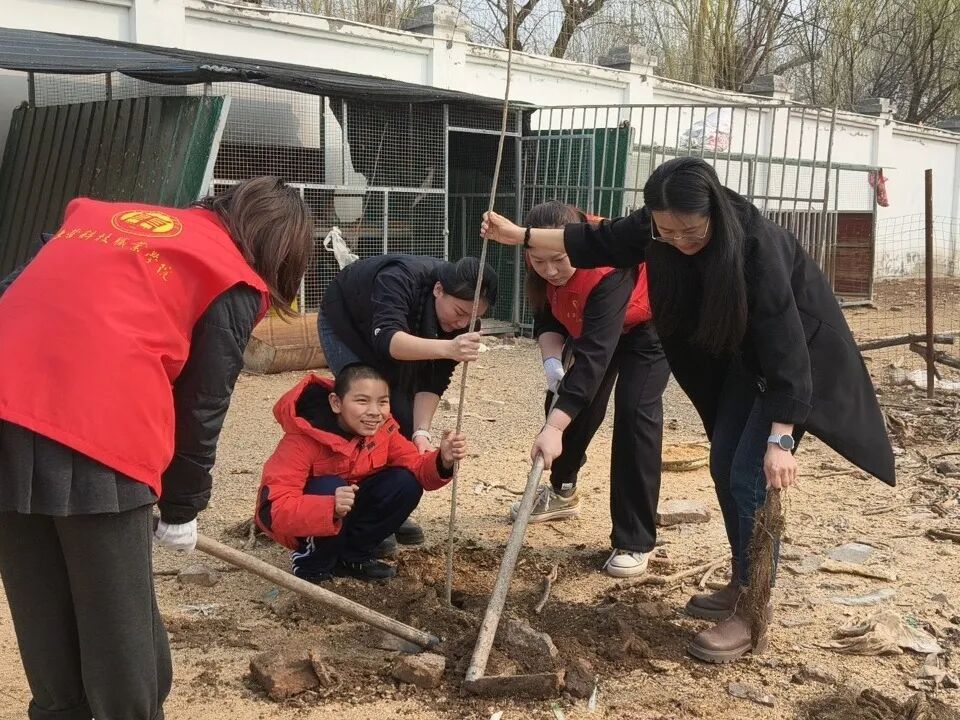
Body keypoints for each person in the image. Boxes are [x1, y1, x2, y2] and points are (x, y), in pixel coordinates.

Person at [481, 157, 895, 663]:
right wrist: (520, 236)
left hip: (794, 365)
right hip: (744, 362)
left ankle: (753, 609)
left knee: (748, 474)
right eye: (667, 231)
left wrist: (781, 438)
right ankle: (741, 580)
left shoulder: (756, 246)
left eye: (690, 231)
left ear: (713, 211)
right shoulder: (660, 225)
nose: (678, 240)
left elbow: (786, 344)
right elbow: (600, 239)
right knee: (723, 462)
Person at [0, 177, 313, 719]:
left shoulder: (96, 220)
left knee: (40, 599)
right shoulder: (228, 274)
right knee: (118, 620)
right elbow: (202, 405)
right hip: (98, 434)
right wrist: (182, 507)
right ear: (277, 248)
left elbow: (14, 292)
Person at [517, 201, 669, 578]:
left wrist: (553, 427)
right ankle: (563, 490)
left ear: (577, 246)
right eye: (539, 262)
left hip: (647, 326)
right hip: (594, 330)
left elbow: (594, 360)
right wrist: (552, 364)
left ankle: (634, 539)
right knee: (568, 399)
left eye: (559, 260)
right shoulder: (540, 259)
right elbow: (547, 319)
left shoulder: (608, 265)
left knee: (635, 413)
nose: (550, 271)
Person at [319, 253, 497, 546]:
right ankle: (349, 509)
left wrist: (421, 431)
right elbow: (387, 340)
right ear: (438, 289)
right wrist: (448, 348)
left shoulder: (464, 324)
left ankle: (387, 507)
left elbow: (434, 379)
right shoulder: (399, 278)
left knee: (401, 416)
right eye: (459, 312)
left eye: (472, 318)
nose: (463, 322)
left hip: (400, 336)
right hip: (348, 325)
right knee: (367, 408)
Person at [254, 365, 467, 581]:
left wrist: (443, 460)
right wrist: (329, 507)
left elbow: (417, 466)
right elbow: (271, 509)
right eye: (362, 401)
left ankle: (354, 556)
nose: (375, 412)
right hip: (315, 515)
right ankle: (312, 562)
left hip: (348, 508)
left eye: (382, 402)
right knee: (330, 487)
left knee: (406, 483)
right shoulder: (302, 440)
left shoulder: (383, 430)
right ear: (336, 403)